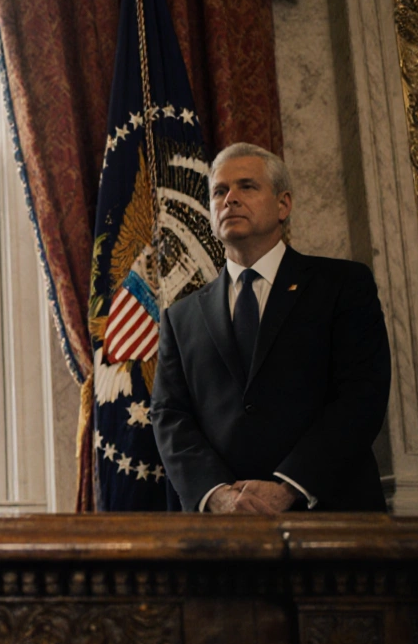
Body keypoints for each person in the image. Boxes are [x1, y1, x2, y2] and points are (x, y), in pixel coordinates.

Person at [151, 143, 391, 513]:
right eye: (219, 191)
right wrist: (216, 494)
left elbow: (362, 395)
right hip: (222, 530)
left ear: (283, 205)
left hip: (328, 516)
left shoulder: (342, 285)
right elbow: (170, 416)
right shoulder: (180, 316)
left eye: (247, 186)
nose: (230, 199)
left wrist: (290, 486)